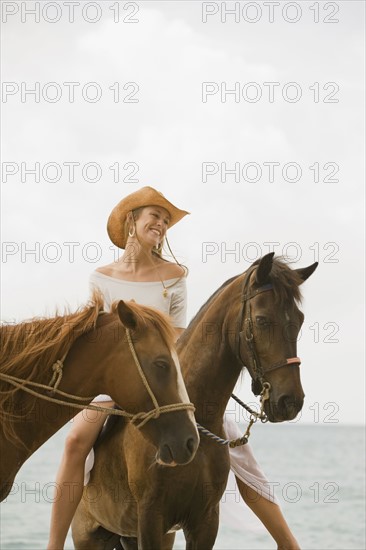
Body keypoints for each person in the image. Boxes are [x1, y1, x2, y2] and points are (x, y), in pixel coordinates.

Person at [47, 186, 300, 550]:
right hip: (114, 381)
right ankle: (54, 545)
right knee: (75, 441)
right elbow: (99, 339)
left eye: (166, 221)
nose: (162, 224)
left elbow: (178, 339)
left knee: (234, 443)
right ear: (131, 221)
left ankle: (286, 542)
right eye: (156, 216)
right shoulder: (101, 277)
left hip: (162, 378)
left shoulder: (173, 276)